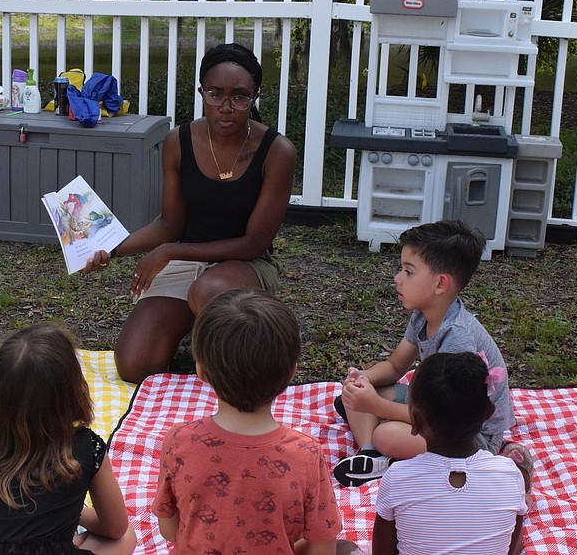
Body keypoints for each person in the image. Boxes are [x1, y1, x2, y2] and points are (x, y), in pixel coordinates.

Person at [83, 42, 297, 384]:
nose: (226, 107)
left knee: (208, 291)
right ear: (201, 93)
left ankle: (226, 342)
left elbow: (254, 243)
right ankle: (203, 330)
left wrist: (170, 251)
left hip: (245, 266)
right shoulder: (177, 141)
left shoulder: (277, 151)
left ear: (256, 96)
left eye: (240, 96)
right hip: (185, 262)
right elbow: (170, 224)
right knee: (134, 365)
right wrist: (111, 248)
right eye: (215, 94)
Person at [151, 288, 344, 554]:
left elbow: (169, 530)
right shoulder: (307, 454)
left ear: (201, 371)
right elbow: (323, 546)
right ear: (291, 373)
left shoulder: (178, 440)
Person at [0, 324, 137, 555]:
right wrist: (75, 513)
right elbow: (114, 528)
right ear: (73, 391)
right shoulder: (86, 447)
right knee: (125, 537)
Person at [334, 219, 516, 487]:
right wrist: (364, 379)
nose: (397, 278)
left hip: (469, 434)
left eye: (408, 271)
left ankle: (384, 453)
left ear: (440, 284)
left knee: (386, 432)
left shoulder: (457, 338)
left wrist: (375, 406)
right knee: (360, 393)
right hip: (436, 406)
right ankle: (370, 453)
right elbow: (396, 365)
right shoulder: (423, 315)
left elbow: (444, 418)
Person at [372, 352, 528, 555]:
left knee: (345, 548)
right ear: (488, 413)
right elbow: (509, 550)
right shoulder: (511, 475)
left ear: (415, 421)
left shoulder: (397, 478)